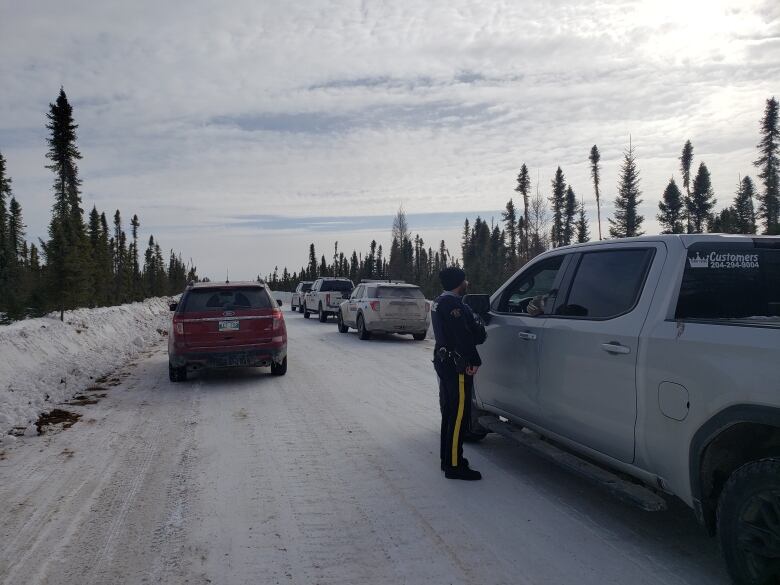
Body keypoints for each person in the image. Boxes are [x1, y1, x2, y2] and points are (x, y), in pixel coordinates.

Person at [431, 267, 483, 481]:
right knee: (459, 416)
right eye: (464, 279)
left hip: (445, 361)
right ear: (458, 283)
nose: (467, 282)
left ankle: (449, 459)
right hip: (458, 364)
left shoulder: (439, 301)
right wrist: (474, 360)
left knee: (450, 413)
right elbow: (463, 336)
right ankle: (454, 465)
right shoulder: (454, 306)